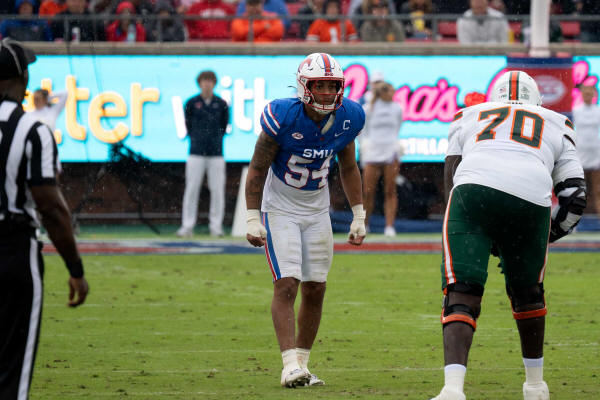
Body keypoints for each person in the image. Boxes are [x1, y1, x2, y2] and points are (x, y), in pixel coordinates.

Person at [431, 70, 586, 400]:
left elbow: (452, 177)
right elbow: (575, 198)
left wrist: (472, 226)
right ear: (537, 101)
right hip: (531, 198)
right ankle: (534, 386)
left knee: (462, 292)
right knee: (528, 293)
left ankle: (452, 389)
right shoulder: (557, 122)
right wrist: (544, 235)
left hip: (472, 192)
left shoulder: (468, 115)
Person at [244, 53, 366, 388]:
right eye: (319, 85)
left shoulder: (350, 116)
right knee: (287, 283)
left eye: (332, 86)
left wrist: (358, 213)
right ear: (304, 86)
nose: (327, 92)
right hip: (280, 207)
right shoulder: (283, 115)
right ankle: (288, 365)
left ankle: (303, 365)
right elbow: (257, 167)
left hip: (317, 210)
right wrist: (252, 217)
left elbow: (349, 166)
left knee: (316, 287)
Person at [0, 38, 89, 400]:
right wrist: (75, 268)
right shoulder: (32, 131)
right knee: (11, 374)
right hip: (11, 249)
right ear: (23, 77)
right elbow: (50, 207)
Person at [177, 70, 229, 238]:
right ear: (199, 83)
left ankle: (216, 226)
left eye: (210, 81)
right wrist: (198, 138)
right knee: (191, 189)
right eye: (204, 81)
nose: (207, 84)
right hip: (196, 153)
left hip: (216, 154)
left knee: (217, 191)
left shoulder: (221, 104)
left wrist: (214, 140)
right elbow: (188, 125)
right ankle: (187, 226)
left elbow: (224, 126)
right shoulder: (192, 103)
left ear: (214, 83)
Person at [360, 82, 403, 236]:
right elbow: (363, 131)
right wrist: (365, 149)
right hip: (372, 152)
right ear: (382, 92)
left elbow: (397, 128)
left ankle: (389, 226)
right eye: (390, 91)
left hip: (390, 152)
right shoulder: (368, 108)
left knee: (390, 190)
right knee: (367, 192)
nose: (393, 94)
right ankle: (365, 224)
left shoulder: (397, 108)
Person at [573, 84, 600, 216]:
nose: (588, 95)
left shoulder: (598, 111)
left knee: (597, 188)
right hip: (581, 154)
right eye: (585, 93)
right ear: (582, 94)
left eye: (590, 93)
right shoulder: (575, 111)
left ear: (594, 94)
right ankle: (577, 216)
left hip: (596, 154)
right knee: (580, 188)